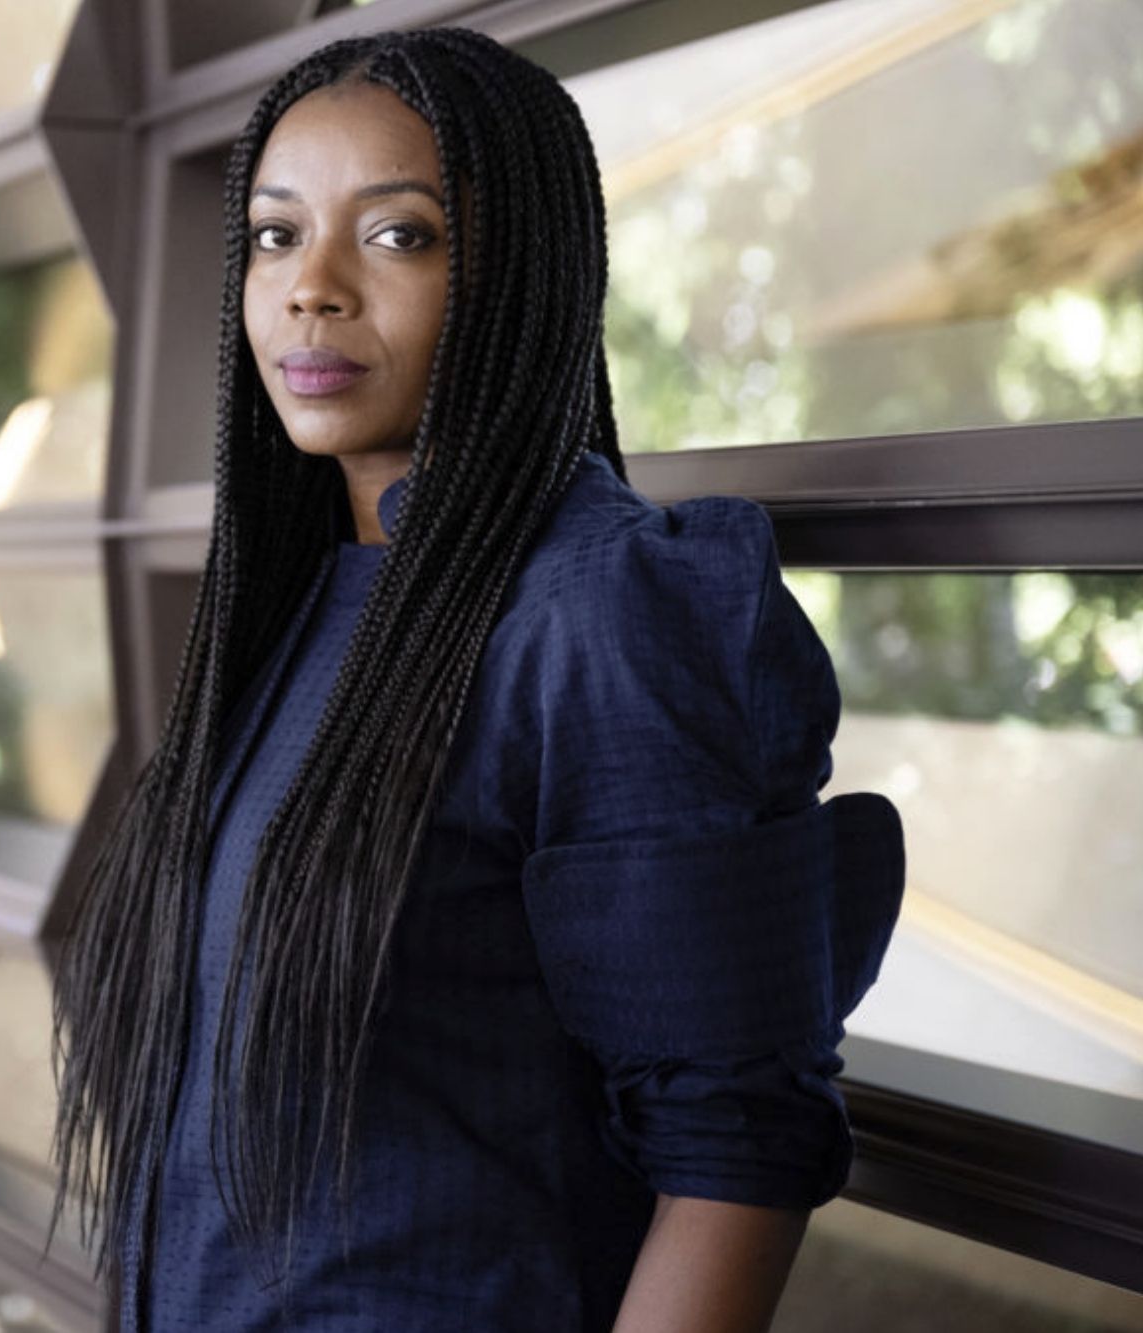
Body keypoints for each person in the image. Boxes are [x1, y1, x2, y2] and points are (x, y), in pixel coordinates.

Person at [46, 25, 906, 1333]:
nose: (312, 289)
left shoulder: (603, 609)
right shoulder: (291, 610)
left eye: (397, 236)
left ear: (521, 271)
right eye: (276, 236)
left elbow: (737, 1159)